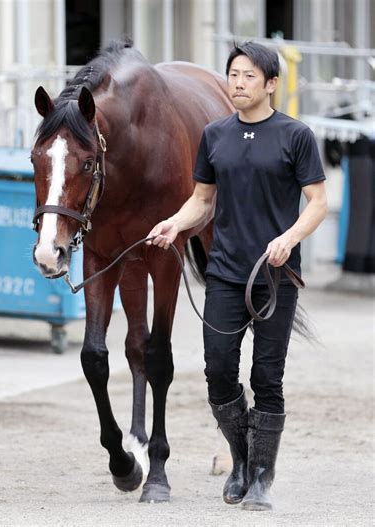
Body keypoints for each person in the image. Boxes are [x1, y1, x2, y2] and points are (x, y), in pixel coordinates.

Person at [147, 42, 327, 511]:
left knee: (268, 376)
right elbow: (203, 199)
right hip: (225, 273)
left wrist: (288, 238)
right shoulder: (215, 135)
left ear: (271, 83)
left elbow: (319, 203)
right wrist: (175, 222)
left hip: (275, 275)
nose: (239, 82)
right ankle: (242, 460)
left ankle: (262, 478)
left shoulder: (296, 135)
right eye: (233, 74)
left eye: (249, 76)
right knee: (218, 370)